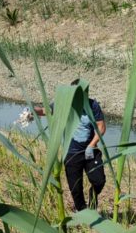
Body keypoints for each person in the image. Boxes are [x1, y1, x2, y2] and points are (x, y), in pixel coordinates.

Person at [33, 80, 106, 211]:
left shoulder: (92, 105)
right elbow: (45, 111)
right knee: (75, 188)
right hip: (72, 152)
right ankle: (83, 212)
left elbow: (101, 127)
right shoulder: (64, 104)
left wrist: (92, 145)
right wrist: (31, 110)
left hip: (90, 151)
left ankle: (92, 203)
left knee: (99, 181)